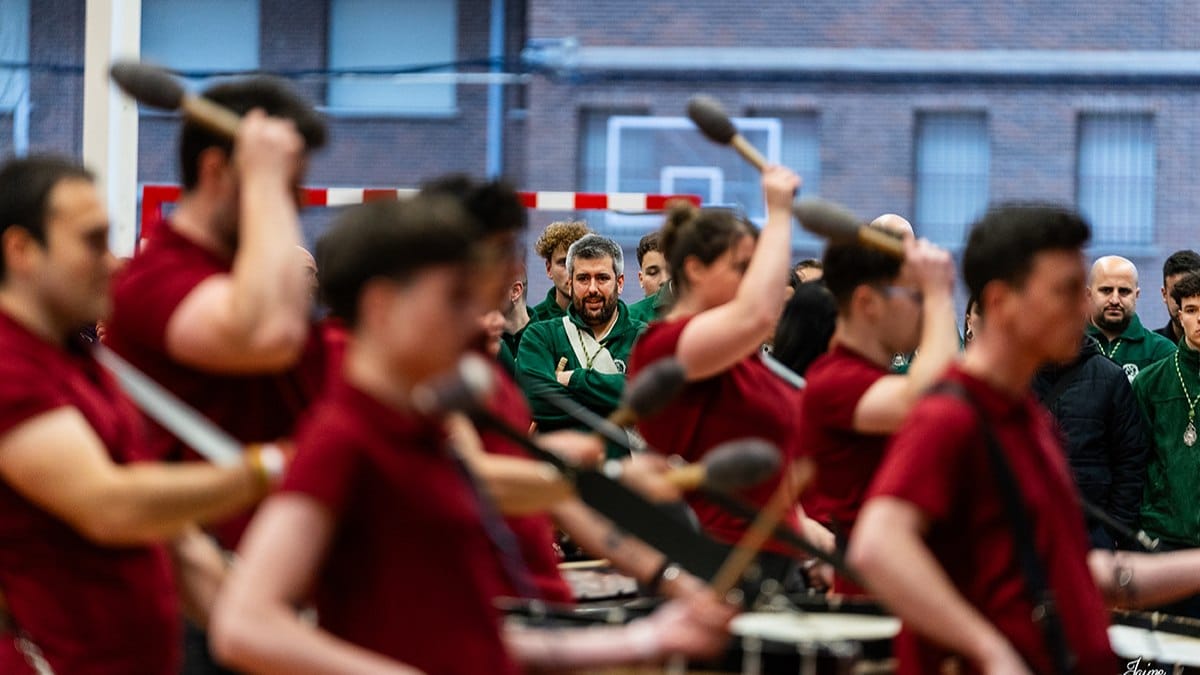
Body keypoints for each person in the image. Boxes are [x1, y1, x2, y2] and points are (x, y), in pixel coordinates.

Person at [209, 196, 734, 674]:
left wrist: (645, 636)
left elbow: (474, 639)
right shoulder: (345, 437)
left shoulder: (429, 424)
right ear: (381, 305)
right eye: (453, 299)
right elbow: (244, 627)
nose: (475, 318)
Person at [849, 204, 1200, 675]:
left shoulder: (1026, 420)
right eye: (1064, 290)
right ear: (999, 302)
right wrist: (990, 649)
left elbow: (1076, 572)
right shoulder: (951, 413)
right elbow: (877, 547)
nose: (1083, 307)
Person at [0, 155, 283, 674]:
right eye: (92, 241)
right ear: (21, 250)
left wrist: (282, 649)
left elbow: (173, 540)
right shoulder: (8, 366)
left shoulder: (85, 363)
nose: (112, 262)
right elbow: (108, 505)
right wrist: (264, 470)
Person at [102, 75, 328, 673]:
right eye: (288, 184)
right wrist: (264, 183)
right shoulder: (156, 280)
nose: (295, 203)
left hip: (279, 593)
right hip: (201, 606)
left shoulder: (259, 279)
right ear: (218, 171)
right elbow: (266, 334)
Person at [629, 166, 835, 585]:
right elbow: (759, 313)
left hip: (773, 556)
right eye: (741, 267)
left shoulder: (740, 358)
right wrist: (778, 214)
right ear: (695, 270)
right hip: (718, 563)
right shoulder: (666, 344)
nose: (753, 281)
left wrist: (803, 534)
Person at [796, 216, 958, 571]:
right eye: (912, 295)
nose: (921, 308)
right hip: (867, 592)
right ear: (868, 303)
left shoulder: (866, 376)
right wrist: (938, 293)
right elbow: (935, 399)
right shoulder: (835, 380)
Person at [516, 234, 646, 438]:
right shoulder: (540, 336)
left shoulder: (644, 337)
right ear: (570, 283)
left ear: (619, 283)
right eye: (583, 278)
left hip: (629, 466)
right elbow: (536, 400)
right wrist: (617, 401)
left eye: (602, 278)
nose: (592, 288)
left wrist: (574, 379)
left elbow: (648, 399)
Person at [1031, 335, 1148, 549]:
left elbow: (1130, 461)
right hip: (1030, 532)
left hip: (1094, 533)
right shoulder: (1015, 377)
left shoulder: (1110, 376)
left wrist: (1112, 530)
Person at [1134, 271, 1200, 554]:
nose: (1199, 319)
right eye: (1191, 310)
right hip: (1165, 533)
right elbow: (1133, 461)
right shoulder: (1150, 382)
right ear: (1179, 316)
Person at [1085, 255, 1175, 382]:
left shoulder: (1161, 352)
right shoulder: (1067, 347)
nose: (1115, 300)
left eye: (1124, 291)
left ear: (1136, 295)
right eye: (1106, 290)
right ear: (1088, 294)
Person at [529, 220, 590, 322]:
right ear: (549, 269)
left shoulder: (605, 317)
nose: (572, 272)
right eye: (564, 263)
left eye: (579, 263)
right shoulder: (534, 322)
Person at [1154, 249, 1200, 344]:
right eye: (1176, 294)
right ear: (1164, 294)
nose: (1182, 301)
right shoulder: (1151, 349)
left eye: (1190, 293)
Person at [628, 231, 669, 323]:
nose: (664, 280)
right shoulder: (629, 319)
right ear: (641, 279)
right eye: (653, 273)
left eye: (671, 271)